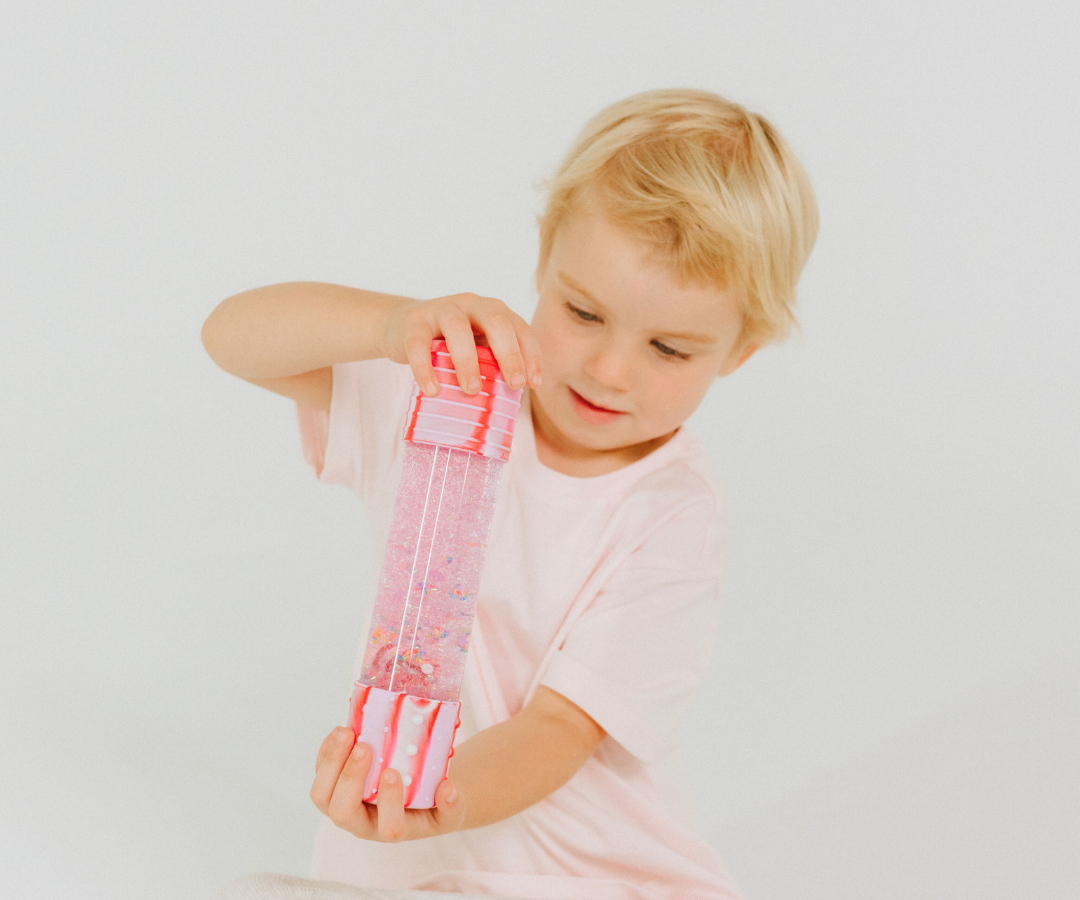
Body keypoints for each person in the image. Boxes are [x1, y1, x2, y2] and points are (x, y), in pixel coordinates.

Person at [202, 88, 818, 900]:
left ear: (739, 351)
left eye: (669, 348)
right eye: (582, 311)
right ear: (543, 262)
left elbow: (560, 728)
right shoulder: (443, 396)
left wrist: (442, 799)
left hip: (592, 873)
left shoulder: (673, 516)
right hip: (404, 861)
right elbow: (232, 339)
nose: (608, 369)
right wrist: (393, 326)